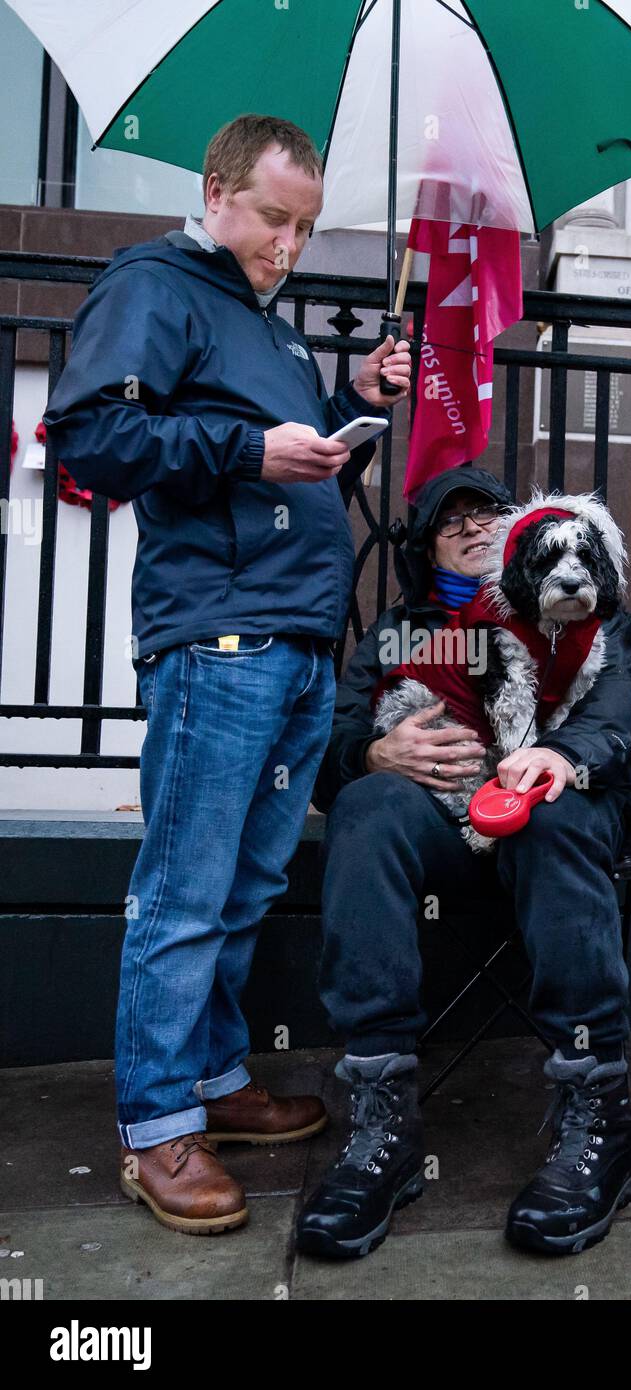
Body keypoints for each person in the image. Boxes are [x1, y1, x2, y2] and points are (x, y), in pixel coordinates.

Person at [42, 114, 412, 1234]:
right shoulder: (152, 283)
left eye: (305, 226)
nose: (288, 245)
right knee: (185, 891)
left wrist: (356, 402)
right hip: (220, 641)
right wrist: (250, 448)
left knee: (245, 887)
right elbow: (90, 438)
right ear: (215, 191)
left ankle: (210, 1082)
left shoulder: (273, 330)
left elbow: (284, 469)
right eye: (272, 217)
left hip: (297, 641)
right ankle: (155, 1129)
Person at [295, 463, 631, 1259]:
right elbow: (334, 748)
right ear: (426, 548)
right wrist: (374, 751)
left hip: (559, 825)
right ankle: (382, 1116)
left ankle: (601, 1117)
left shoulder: (587, 600)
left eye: (487, 511)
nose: (472, 527)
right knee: (364, 807)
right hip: (443, 835)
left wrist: (561, 755)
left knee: (554, 815)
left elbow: (620, 707)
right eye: (449, 520)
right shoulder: (399, 631)